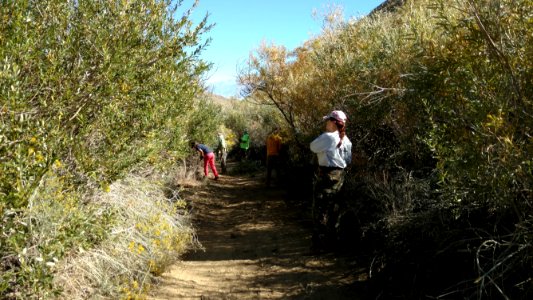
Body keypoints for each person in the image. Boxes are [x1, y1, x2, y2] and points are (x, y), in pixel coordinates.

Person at [309, 110, 352, 251]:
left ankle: (319, 245)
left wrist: (324, 152)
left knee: (321, 209)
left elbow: (313, 147)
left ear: (333, 122)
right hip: (340, 176)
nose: (326, 123)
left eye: (328, 120)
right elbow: (348, 160)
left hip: (327, 176)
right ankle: (333, 242)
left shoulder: (328, 137)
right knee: (336, 209)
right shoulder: (346, 140)